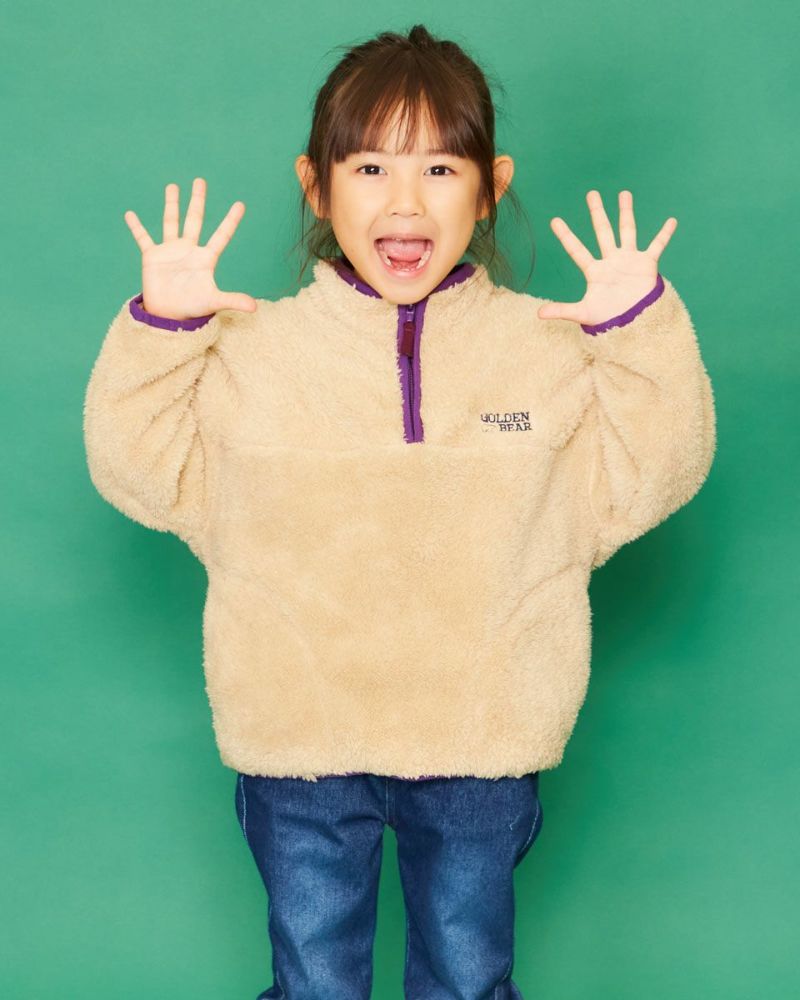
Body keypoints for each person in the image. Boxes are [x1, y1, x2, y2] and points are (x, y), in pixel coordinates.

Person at [82, 23, 716, 1000]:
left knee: (465, 980)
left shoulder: (548, 352)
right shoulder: (251, 352)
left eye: (440, 168)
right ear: (316, 184)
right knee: (314, 983)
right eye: (371, 166)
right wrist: (164, 328)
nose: (405, 201)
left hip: (480, 741)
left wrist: (638, 330)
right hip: (297, 740)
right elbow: (136, 467)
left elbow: (654, 470)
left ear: (491, 186)